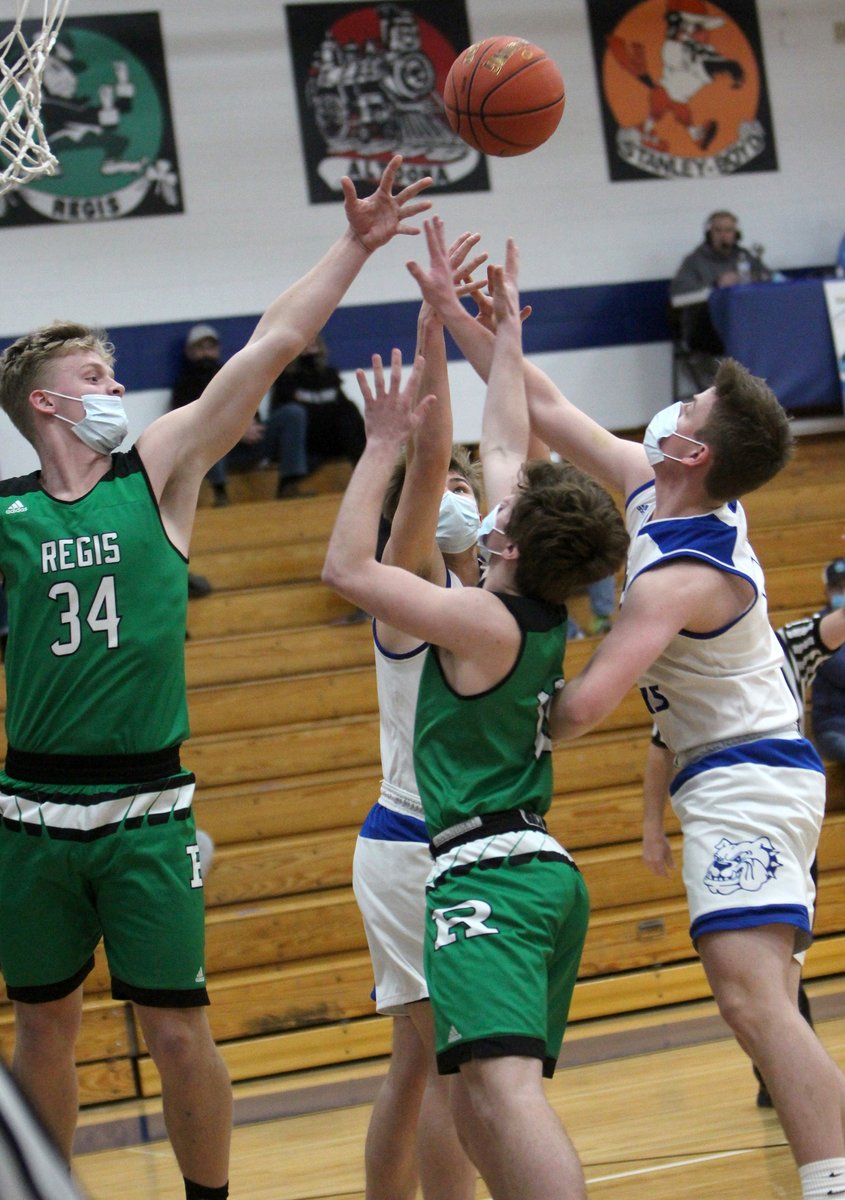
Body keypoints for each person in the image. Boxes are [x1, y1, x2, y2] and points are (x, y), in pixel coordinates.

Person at [0, 154, 432, 1200]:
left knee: (177, 1027)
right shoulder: (6, 514)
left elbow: (271, 343)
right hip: (33, 805)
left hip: (148, 802)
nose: (117, 389)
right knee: (42, 1026)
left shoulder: (160, 467)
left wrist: (356, 244)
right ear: (44, 402)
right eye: (96, 377)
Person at [414, 219, 845, 1200]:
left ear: (688, 445)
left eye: (683, 400)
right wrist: (471, 324)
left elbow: (581, 707)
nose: (668, 406)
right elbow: (545, 407)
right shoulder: (662, 494)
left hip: (745, 776)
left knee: (751, 1000)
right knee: (761, 997)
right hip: (728, 771)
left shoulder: (677, 580)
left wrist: (502, 670)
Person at [323, 239, 629, 1200]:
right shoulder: (509, 604)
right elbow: (498, 446)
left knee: (480, 1082)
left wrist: (389, 436)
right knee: (450, 1075)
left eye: (480, 497)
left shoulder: (470, 614)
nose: (472, 494)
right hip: (477, 846)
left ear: (507, 535)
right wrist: (477, 332)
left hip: (474, 858)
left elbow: (372, 537)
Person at [352, 230, 484, 1200]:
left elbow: (507, 437)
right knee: (443, 1060)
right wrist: (433, 324)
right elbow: (432, 461)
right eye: (453, 495)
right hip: (413, 843)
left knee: (417, 1060)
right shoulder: (416, 589)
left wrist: (478, 327)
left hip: (447, 840)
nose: (464, 498)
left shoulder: (494, 600)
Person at [669, 210, 771, 386]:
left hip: (746, 326)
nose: (724, 235)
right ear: (709, 233)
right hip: (708, 330)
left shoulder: (745, 257)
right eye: (719, 230)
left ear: (736, 234)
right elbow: (677, 295)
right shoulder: (695, 261)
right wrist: (716, 285)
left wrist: (754, 279)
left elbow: (769, 278)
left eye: (729, 230)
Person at [170, 324, 264, 508]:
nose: (206, 353)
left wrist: (248, 426)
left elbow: (251, 404)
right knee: (209, 440)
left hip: (249, 440)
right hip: (216, 449)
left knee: (291, 415)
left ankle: (289, 482)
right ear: (189, 352)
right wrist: (236, 429)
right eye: (200, 348)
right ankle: (220, 493)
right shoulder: (184, 386)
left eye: (210, 347)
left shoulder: (232, 375)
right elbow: (191, 427)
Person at [267, 331, 366, 497]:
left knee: (349, 410)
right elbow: (281, 415)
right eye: (305, 341)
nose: (310, 343)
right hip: (305, 443)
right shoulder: (285, 378)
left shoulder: (329, 375)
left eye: (314, 340)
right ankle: (288, 485)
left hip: (330, 439)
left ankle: (366, 471)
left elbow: (343, 409)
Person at [808, 558, 845, 763]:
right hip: (834, 726)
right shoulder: (818, 630)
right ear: (827, 592)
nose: (843, 591)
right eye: (837, 587)